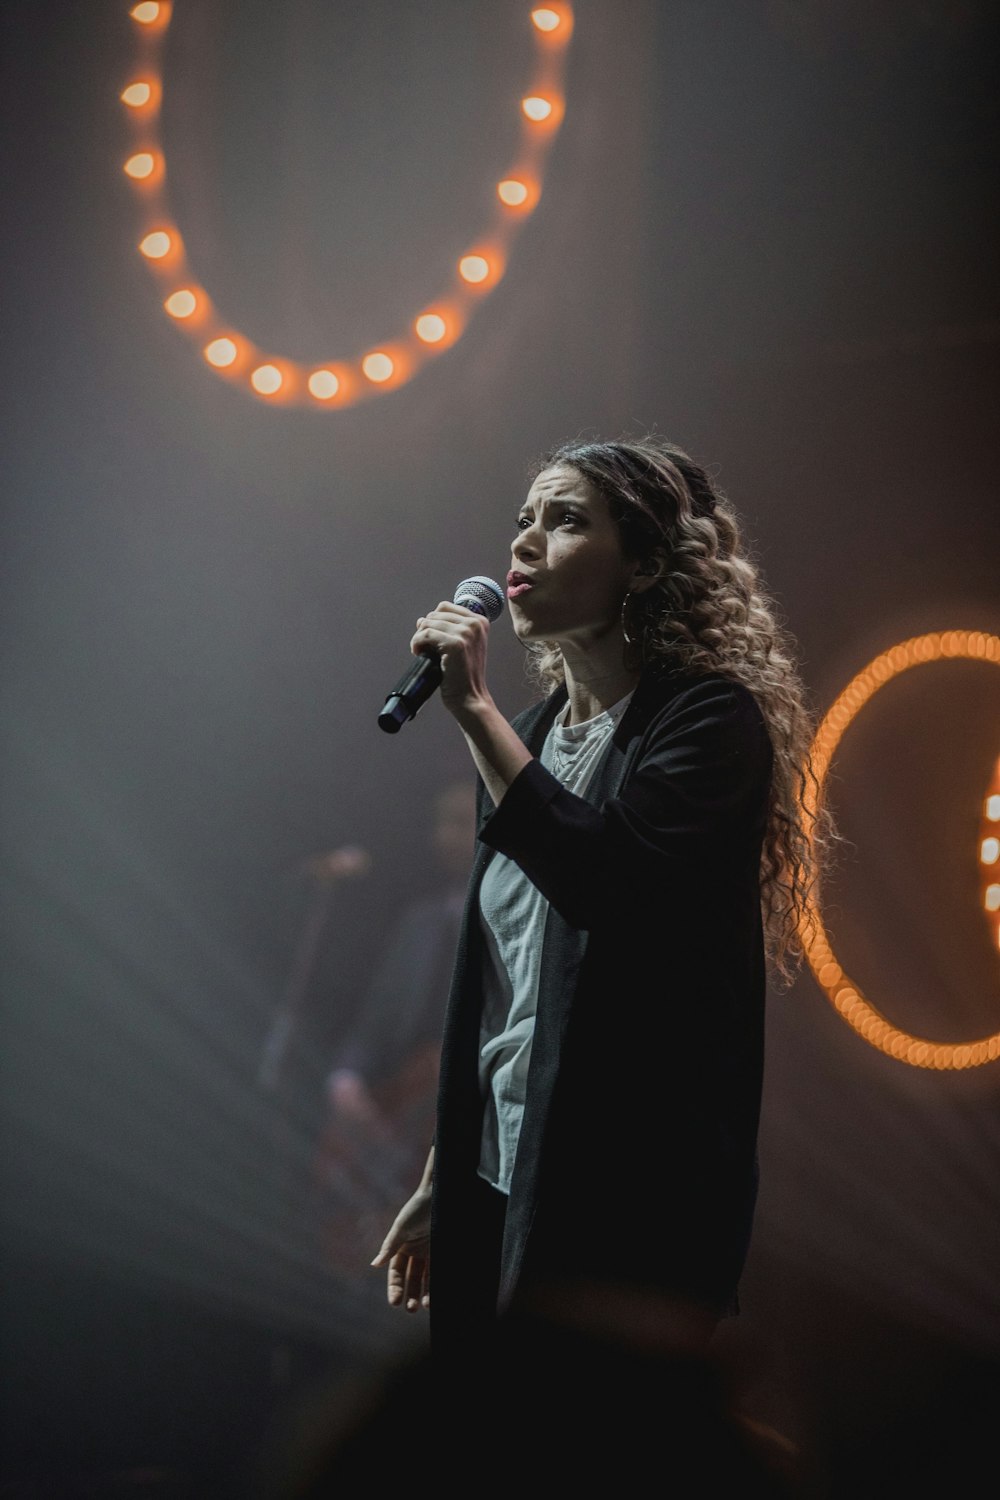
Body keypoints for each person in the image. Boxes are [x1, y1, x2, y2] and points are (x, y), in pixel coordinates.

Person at [371, 435, 829, 1363]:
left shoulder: (707, 721)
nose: (527, 544)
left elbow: (604, 882)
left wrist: (472, 713)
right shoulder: (530, 733)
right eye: (525, 521)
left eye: (567, 520)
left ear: (648, 565)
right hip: (498, 1179)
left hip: (627, 1198)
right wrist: (442, 1170)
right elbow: (505, 986)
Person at [314, 781, 476, 1264]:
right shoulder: (419, 922)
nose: (447, 835)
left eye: (463, 821)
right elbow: (375, 1022)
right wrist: (345, 1080)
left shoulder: (511, 918)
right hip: (398, 1118)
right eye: (442, 821)